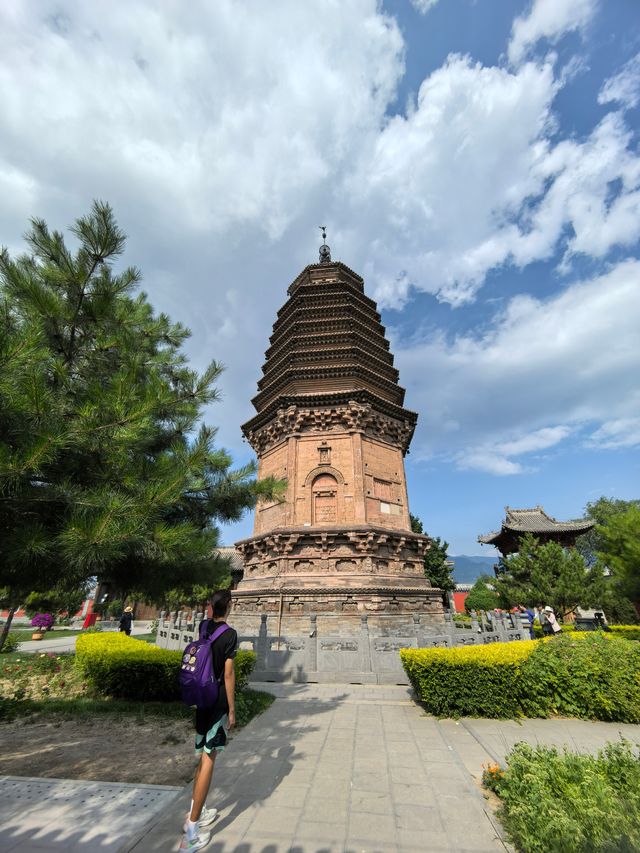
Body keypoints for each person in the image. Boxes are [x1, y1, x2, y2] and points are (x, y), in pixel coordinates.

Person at [180, 588, 237, 852]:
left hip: (201, 699)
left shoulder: (204, 628)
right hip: (217, 704)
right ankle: (190, 834)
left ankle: (196, 811)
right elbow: (228, 676)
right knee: (208, 760)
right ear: (229, 607)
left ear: (211, 608)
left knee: (201, 756)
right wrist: (233, 710)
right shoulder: (229, 635)